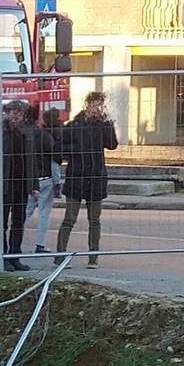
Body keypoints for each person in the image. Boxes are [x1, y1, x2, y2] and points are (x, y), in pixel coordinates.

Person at [55, 91, 118, 268]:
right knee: (70, 218)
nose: (97, 108)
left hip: (96, 178)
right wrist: (77, 150)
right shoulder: (74, 125)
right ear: (87, 105)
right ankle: (59, 255)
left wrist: (107, 124)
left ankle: (93, 257)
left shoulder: (103, 125)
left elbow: (112, 144)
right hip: (76, 177)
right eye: (95, 104)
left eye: (101, 105)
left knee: (95, 220)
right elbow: (59, 147)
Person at [0, 99, 35, 271]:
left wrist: (33, 184)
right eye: (14, 112)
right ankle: (1, 256)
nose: (17, 116)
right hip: (2, 184)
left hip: (21, 184)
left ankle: (15, 256)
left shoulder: (27, 131)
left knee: (19, 222)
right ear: (7, 113)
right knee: (1, 223)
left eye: (20, 113)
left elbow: (31, 159)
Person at [22, 103, 61, 255]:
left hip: (27, 178)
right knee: (44, 212)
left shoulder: (20, 134)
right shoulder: (43, 135)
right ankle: (40, 245)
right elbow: (55, 156)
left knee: (26, 210)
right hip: (44, 178)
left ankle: (11, 241)